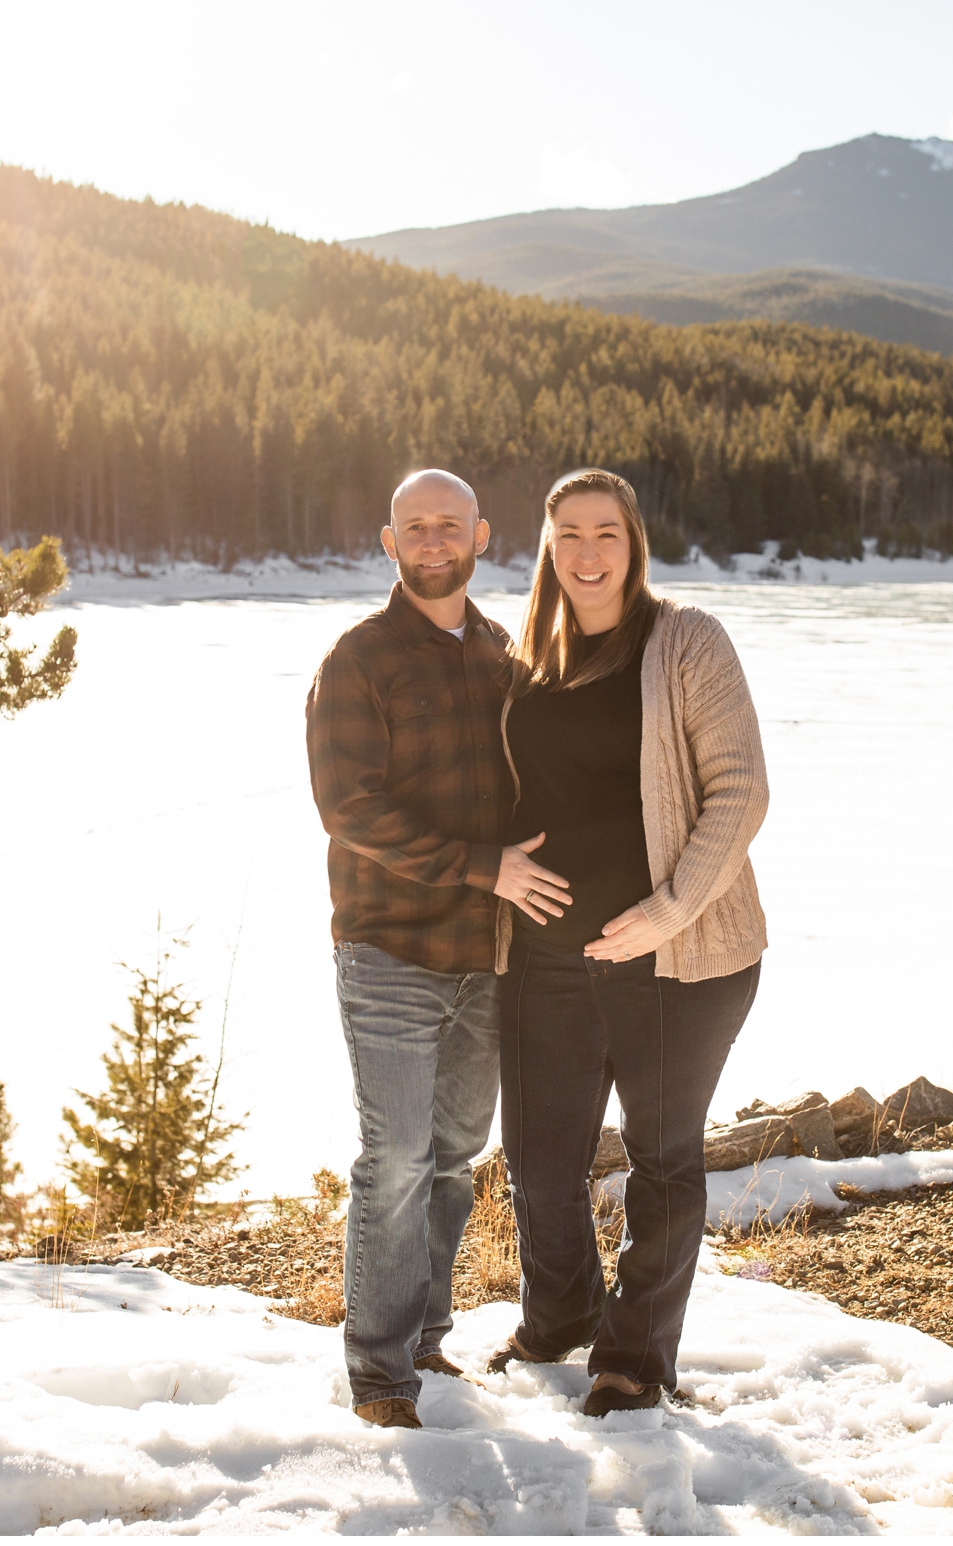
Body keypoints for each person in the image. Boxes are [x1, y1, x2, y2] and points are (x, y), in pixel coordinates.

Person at [489, 467, 768, 1416]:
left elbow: (740, 793)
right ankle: (561, 1310)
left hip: (678, 961)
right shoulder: (528, 656)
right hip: (544, 957)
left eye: (605, 532)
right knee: (537, 1155)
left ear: (634, 541)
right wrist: (489, 861)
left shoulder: (686, 640)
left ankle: (634, 1356)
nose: (587, 552)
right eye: (567, 533)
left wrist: (667, 910)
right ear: (547, 545)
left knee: (661, 1159)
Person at [304, 468, 574, 1430]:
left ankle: (423, 1332)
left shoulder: (504, 651)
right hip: (387, 952)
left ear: (481, 535)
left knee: (456, 1156)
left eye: (448, 525)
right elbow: (349, 807)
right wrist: (480, 865)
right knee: (397, 1157)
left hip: (486, 958)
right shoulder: (360, 658)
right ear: (389, 541)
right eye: (415, 527)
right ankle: (378, 1374)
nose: (432, 541)